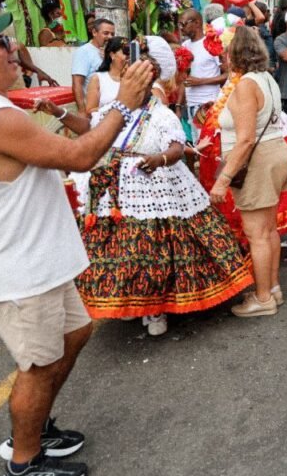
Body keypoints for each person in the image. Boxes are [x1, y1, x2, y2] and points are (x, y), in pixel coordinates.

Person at [0, 10, 148, 476]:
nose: (14, 50)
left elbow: (56, 152)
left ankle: (35, 427)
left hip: (34, 262)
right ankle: (23, 463)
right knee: (39, 365)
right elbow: (80, 156)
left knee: (74, 333)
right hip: (17, 269)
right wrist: (124, 104)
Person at [42, 55, 253, 336]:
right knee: (117, 252)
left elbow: (176, 149)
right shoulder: (112, 111)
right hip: (112, 192)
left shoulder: (162, 115)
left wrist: (159, 160)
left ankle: (155, 309)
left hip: (155, 190)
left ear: (149, 82)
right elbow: (88, 128)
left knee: (151, 252)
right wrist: (58, 112)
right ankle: (129, 301)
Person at [204, 27, 287, 317]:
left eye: (226, 52)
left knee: (257, 234)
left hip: (258, 160)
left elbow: (245, 140)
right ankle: (272, 288)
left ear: (234, 54)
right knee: (268, 230)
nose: (223, 57)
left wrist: (223, 179)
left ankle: (263, 297)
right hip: (276, 152)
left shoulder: (245, 85)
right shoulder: (265, 77)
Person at [179, 8, 227, 138]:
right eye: (179, 24)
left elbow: (227, 75)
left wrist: (201, 82)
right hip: (190, 106)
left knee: (208, 143)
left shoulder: (212, 43)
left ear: (197, 23)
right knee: (197, 144)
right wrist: (178, 105)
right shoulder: (185, 46)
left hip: (208, 104)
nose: (181, 28)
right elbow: (183, 79)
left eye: (183, 24)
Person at [71, 17, 115, 112]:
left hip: (112, 109)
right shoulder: (84, 52)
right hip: (94, 110)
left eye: (112, 34)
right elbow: (77, 84)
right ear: (94, 32)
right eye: (106, 33)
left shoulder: (112, 53)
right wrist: (82, 111)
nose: (110, 37)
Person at [85, 36, 128, 113]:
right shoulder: (98, 79)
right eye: (125, 52)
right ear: (112, 55)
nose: (128, 56)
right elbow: (90, 110)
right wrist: (114, 105)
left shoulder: (133, 78)